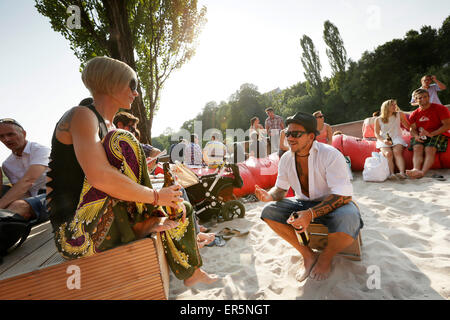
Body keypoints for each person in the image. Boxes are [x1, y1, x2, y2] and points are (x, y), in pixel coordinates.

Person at [46, 56, 217, 286]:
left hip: (98, 221)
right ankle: (144, 220)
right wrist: (156, 197)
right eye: (132, 85)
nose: (135, 93)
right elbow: (99, 176)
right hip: (75, 235)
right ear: (112, 82)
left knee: (180, 208)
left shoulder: (108, 123)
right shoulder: (82, 115)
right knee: (121, 141)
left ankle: (190, 272)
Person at [256, 112, 363, 282]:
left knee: (349, 218)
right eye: (288, 133)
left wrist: (311, 214)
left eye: (296, 134)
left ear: (311, 136)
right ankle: (308, 255)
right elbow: (281, 189)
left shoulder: (330, 154)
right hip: (303, 203)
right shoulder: (285, 159)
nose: (290, 138)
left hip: (334, 203)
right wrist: (269, 196)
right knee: (269, 212)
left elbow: (343, 196)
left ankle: (326, 257)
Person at [0, 118, 50, 225]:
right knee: (13, 209)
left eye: (10, 134)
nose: (6, 139)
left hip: (56, 195)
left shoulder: (40, 150)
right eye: (1, 136)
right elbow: (22, 192)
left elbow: (28, 181)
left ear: (24, 133)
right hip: (34, 201)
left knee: (16, 207)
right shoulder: (7, 164)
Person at [406, 88, 450, 179]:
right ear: (416, 100)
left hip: (438, 133)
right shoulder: (414, 114)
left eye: (425, 97)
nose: (423, 99)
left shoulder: (440, 108)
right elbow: (412, 128)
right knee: (417, 147)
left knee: (430, 149)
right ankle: (415, 169)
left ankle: (422, 172)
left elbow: (447, 125)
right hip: (422, 134)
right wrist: (416, 136)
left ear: (429, 97)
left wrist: (432, 134)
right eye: (420, 98)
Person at [374, 100, 410, 179]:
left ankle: (402, 173)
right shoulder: (378, 119)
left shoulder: (399, 114)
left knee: (397, 152)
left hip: (396, 137)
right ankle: (392, 174)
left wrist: (415, 130)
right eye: (392, 105)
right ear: (386, 108)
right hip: (384, 139)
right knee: (388, 154)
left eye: (395, 105)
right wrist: (384, 141)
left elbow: (408, 126)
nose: (395, 107)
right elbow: (376, 134)